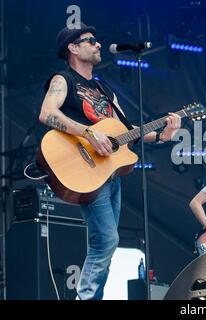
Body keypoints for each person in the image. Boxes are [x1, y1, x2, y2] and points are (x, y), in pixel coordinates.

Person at [38, 23, 181, 299]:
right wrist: (88, 133)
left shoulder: (104, 90)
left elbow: (126, 133)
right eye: (90, 40)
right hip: (84, 167)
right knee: (107, 240)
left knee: (104, 244)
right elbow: (47, 113)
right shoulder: (63, 80)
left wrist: (165, 134)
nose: (98, 44)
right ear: (72, 47)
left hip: (108, 172)